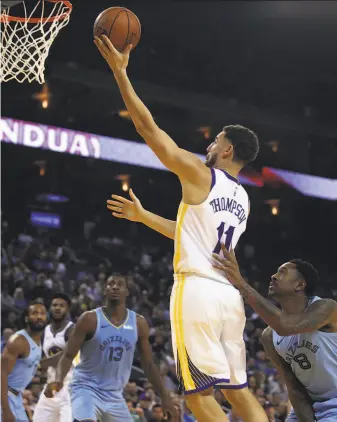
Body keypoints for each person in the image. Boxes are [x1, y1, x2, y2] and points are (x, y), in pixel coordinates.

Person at [99, 35, 268, 422]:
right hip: (228, 299)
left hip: (197, 292)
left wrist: (121, 75)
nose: (210, 143)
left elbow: (147, 128)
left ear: (227, 151)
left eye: (216, 140)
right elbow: (190, 235)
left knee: (197, 396)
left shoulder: (201, 173)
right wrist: (144, 218)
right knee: (237, 391)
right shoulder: (243, 199)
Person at [213, 245, 337, 422]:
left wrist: (240, 283)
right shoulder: (269, 336)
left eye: (283, 272)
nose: (273, 276)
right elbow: (293, 387)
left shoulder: (326, 308)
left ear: (300, 285)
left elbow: (285, 326)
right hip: (309, 404)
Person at [53, 274, 178, 422]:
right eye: (110, 284)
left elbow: (149, 364)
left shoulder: (138, 323)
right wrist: (59, 379)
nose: (115, 287)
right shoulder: (89, 319)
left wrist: (165, 397)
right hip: (85, 388)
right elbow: (67, 355)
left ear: (127, 291)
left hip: (114, 395)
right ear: (104, 290)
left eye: (120, 284)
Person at [1, 302, 47, 422]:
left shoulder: (38, 339)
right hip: (5, 396)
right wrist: (5, 410)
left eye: (42, 313)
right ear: (27, 318)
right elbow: (1, 373)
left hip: (17, 396)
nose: (39, 316)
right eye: (34, 313)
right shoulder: (18, 341)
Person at [33, 293, 74, 422]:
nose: (57, 308)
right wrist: (41, 374)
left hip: (70, 387)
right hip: (51, 386)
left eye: (61, 305)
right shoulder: (45, 331)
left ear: (67, 309)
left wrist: (38, 364)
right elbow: (44, 357)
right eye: (55, 305)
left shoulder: (73, 329)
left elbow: (64, 356)